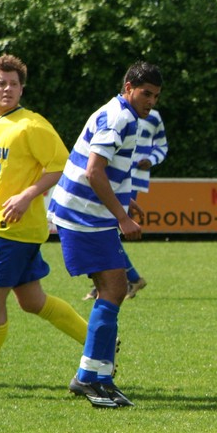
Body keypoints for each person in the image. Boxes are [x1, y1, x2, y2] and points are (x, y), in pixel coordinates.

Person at [47, 61, 163, 408]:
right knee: (113, 288)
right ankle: (90, 377)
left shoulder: (122, 113)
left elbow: (107, 171)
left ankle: (96, 376)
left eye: (156, 96)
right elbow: (94, 171)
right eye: (146, 93)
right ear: (129, 88)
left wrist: (125, 201)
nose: (151, 101)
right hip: (84, 215)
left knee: (113, 289)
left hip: (85, 213)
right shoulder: (119, 118)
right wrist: (122, 217)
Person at [0, 54, 89, 398]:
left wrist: (27, 195)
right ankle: (99, 342)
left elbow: (60, 165)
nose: (7, 89)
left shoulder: (31, 125)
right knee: (32, 300)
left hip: (19, 226)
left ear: (22, 89)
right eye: (0, 83)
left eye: (14, 84)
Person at [82, 108, 167, 301]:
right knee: (102, 229)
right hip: (110, 179)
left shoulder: (153, 116)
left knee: (107, 229)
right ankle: (107, 281)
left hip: (132, 180)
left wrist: (151, 160)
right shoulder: (114, 114)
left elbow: (162, 146)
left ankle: (126, 279)